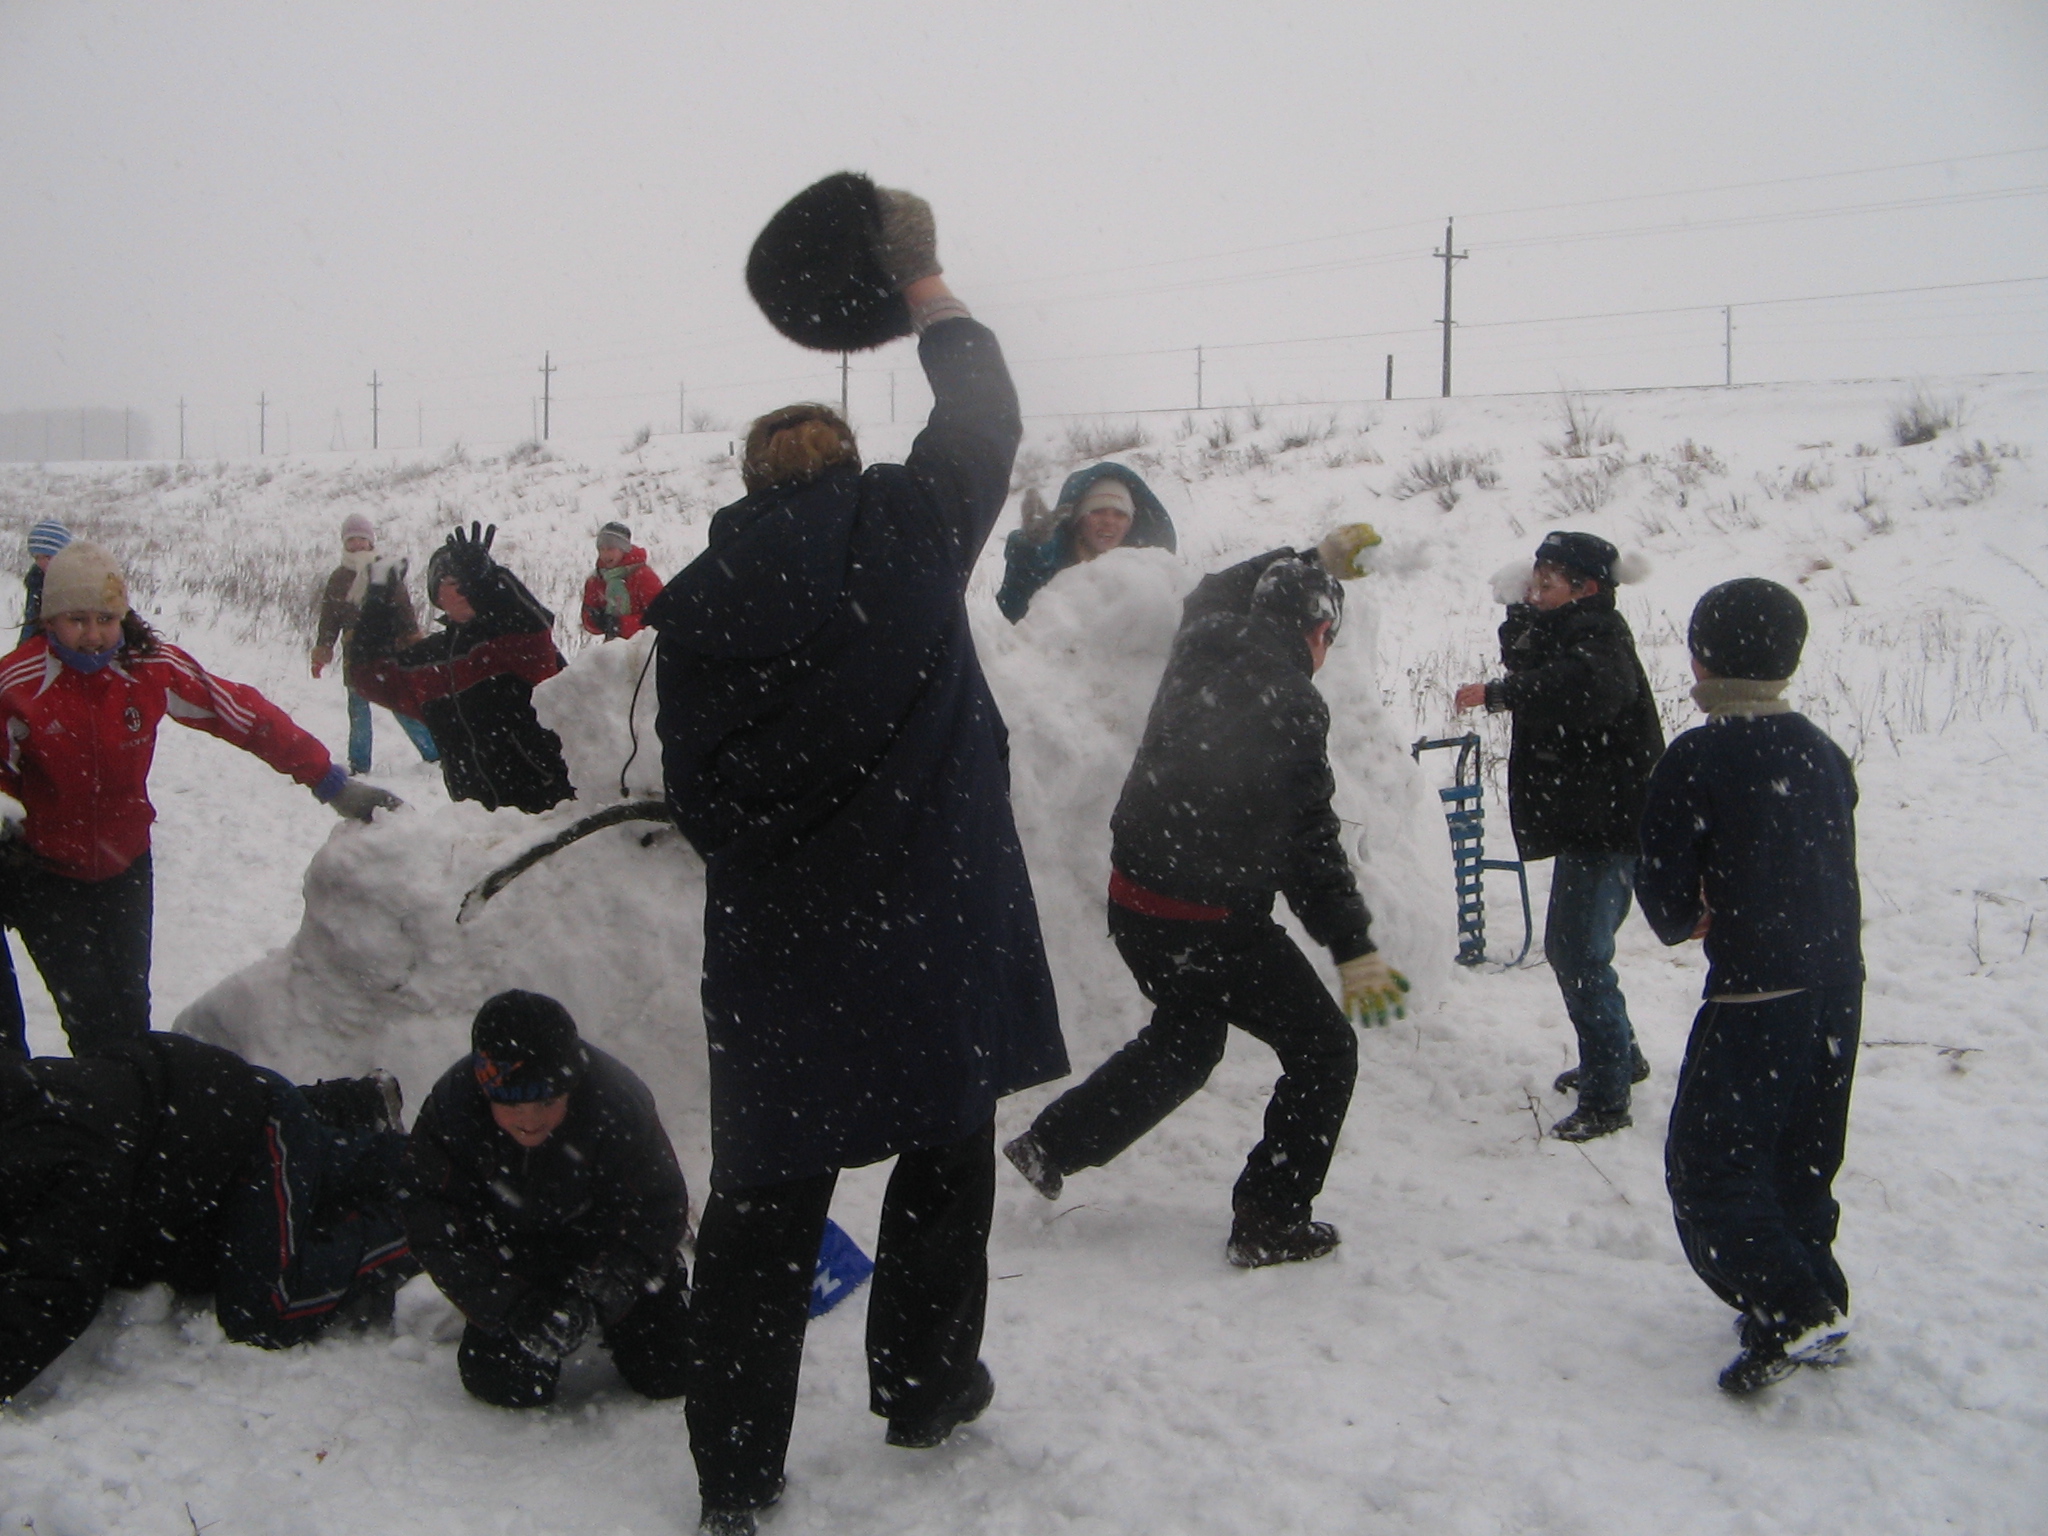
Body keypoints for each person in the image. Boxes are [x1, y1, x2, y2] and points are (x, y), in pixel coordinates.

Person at [649, 192, 1066, 1535]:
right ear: (837, 462)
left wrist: (791, 852)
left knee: (763, 1213)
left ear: (754, 482)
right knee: (947, 1162)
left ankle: (734, 1474)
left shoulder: (697, 607)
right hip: (936, 924)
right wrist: (927, 284)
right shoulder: (906, 526)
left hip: (784, 951)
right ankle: (925, 1385)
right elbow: (988, 414)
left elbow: (699, 799)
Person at [1003, 535, 1406, 1269]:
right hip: (1213, 924)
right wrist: (1355, 948)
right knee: (1324, 1051)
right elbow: (1310, 848)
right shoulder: (1292, 705)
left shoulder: (1204, 640)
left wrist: (1311, 553)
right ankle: (1270, 1219)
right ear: (1320, 634)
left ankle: (1053, 1143)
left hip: (1135, 905)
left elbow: (1218, 584)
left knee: (1188, 1038)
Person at [0, 542, 398, 1060]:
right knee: (91, 1019)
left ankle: (127, 1115)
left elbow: (241, 715)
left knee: (129, 1013)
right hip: (48, 875)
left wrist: (329, 781)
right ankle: (102, 1119)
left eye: (106, 618)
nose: (94, 634)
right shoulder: (18, 683)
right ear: (49, 618)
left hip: (125, 866)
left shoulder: (149, 667)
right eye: (77, 619)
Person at [1637, 579, 1862, 1395]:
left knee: (1710, 1169)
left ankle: (1791, 1307)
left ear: (1701, 656)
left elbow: (1664, 895)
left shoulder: (1698, 755)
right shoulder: (1820, 749)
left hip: (1755, 995)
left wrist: (1693, 909)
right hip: (1837, 985)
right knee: (1800, 1157)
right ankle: (1817, 1297)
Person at [0, 1031, 414, 1402]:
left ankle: (425, 1221)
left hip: (247, 1126)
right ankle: (376, 1130)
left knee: (265, 1310)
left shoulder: (65, 1154)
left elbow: (58, 1291)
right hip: (193, 1140)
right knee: (275, 1201)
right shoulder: (32, 1127)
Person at [1453, 530, 1662, 1142]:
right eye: (1534, 582)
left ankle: (1607, 1096)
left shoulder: (1600, 638)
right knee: (1580, 949)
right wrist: (1521, 610)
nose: (1538, 593)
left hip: (1611, 824)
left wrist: (1499, 694)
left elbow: (1579, 688)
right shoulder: (1568, 627)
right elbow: (1526, 657)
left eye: (1548, 586)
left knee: (1575, 951)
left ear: (1587, 589)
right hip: (1592, 819)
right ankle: (1622, 1056)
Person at [400, 991, 690, 1410]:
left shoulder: (616, 1103)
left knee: (672, 1366)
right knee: (504, 1384)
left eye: (548, 1102)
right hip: (512, 1254)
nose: (529, 1120)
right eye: (510, 1104)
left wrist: (602, 1291)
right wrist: (513, 1304)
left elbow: (657, 1207)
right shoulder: (453, 1110)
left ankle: (656, 1292)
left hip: (602, 1242)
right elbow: (430, 1217)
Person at [348, 523, 575, 815]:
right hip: (477, 822)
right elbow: (368, 675)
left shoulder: (513, 644)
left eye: (468, 580)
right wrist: (377, 604)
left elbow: (533, 622)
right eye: (451, 580)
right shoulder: (427, 662)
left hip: (553, 807)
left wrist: (490, 582)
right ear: (436, 594)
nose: (463, 588)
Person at [310, 511, 440, 775]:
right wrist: (323, 651)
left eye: (361, 539)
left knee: (401, 704)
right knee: (358, 710)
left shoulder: (384, 570)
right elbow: (329, 618)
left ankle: (434, 754)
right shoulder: (338, 578)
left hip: (387, 651)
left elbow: (404, 609)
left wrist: (413, 640)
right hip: (355, 655)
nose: (357, 544)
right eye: (351, 540)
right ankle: (359, 764)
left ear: (371, 541)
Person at [995, 463, 1177, 623]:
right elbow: (1014, 613)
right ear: (1078, 519)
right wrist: (1028, 550)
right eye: (1098, 511)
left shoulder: (1148, 574)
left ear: (1130, 524)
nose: (1109, 521)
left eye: (1120, 514)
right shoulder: (1048, 562)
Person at [580, 522, 664, 641]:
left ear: (623, 549)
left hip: (643, 646)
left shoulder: (644, 576)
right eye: (601, 549)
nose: (605, 554)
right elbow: (587, 618)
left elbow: (660, 618)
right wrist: (598, 622)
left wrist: (621, 624)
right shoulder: (596, 579)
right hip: (614, 648)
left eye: (610, 549)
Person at [18, 517, 71, 644]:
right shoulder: (37, 581)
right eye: (37, 557)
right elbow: (31, 623)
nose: (42, 563)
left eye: (48, 556)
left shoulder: (79, 581)